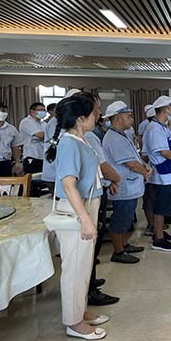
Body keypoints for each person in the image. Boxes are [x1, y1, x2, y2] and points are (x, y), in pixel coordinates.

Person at [45, 95, 109, 340]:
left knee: (84, 266)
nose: (97, 117)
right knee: (74, 269)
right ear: (81, 118)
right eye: (94, 114)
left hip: (87, 205)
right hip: (76, 209)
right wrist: (85, 219)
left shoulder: (82, 140)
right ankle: (73, 323)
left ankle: (79, 311)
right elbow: (69, 185)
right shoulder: (69, 143)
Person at [75, 92, 120, 307]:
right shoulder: (84, 138)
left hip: (91, 193)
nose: (100, 114)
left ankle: (90, 282)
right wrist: (115, 178)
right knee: (89, 247)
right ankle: (89, 290)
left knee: (90, 249)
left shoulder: (82, 136)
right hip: (87, 199)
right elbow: (100, 167)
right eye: (97, 110)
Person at [103, 101, 152, 264]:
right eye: (128, 116)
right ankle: (118, 252)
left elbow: (134, 156)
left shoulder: (122, 134)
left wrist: (145, 165)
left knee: (127, 218)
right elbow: (129, 163)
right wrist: (145, 172)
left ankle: (124, 244)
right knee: (120, 219)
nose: (132, 119)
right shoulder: (113, 138)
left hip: (130, 185)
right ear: (117, 118)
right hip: (123, 186)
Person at [142, 95, 171, 252]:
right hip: (163, 174)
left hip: (169, 173)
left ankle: (160, 233)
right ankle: (158, 239)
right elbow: (164, 152)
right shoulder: (155, 128)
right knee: (161, 207)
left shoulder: (162, 127)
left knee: (164, 206)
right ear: (165, 109)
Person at [19, 102, 47, 175]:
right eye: (40, 110)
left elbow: (49, 136)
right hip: (32, 155)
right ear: (32, 111)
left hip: (43, 156)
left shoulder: (44, 124)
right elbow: (41, 135)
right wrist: (43, 137)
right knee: (33, 178)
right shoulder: (26, 122)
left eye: (44, 110)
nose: (43, 112)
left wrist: (44, 137)